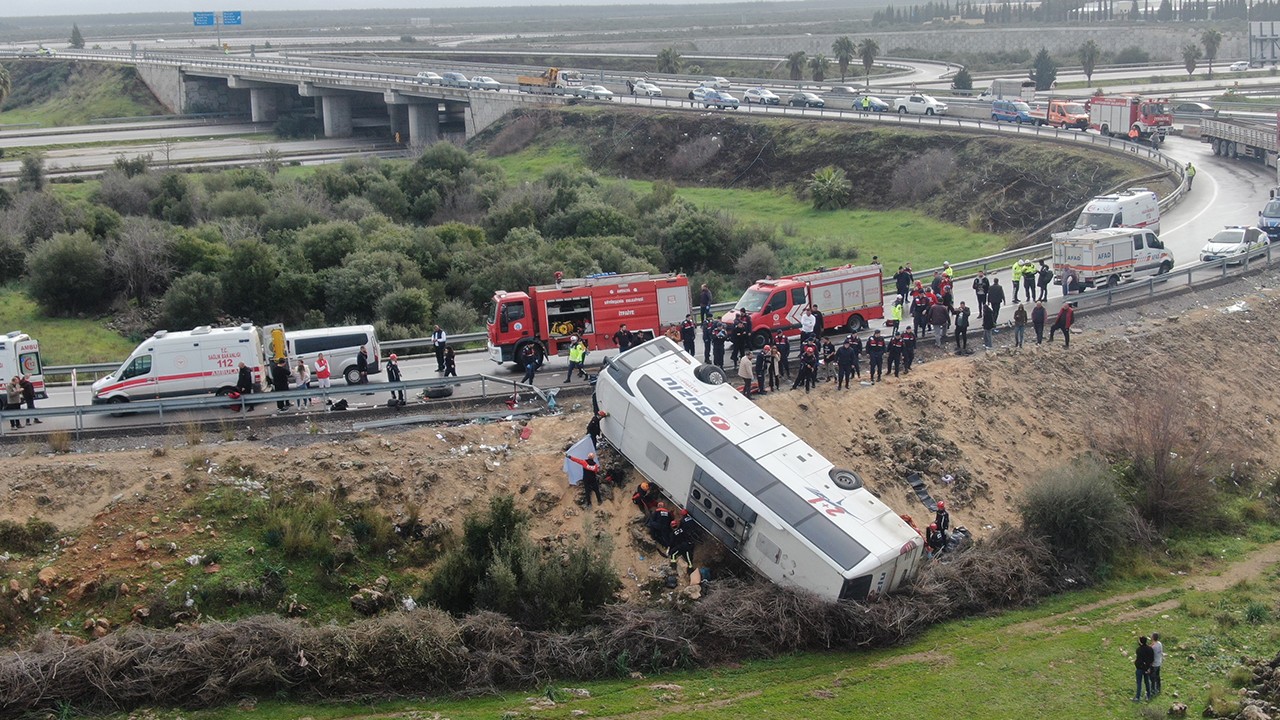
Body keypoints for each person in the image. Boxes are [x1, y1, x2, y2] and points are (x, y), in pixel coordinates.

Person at [668, 511, 697, 577]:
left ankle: (673, 566)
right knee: (689, 558)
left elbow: (672, 542)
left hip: (680, 546)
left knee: (673, 553)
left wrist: (670, 549)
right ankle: (690, 570)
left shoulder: (673, 534)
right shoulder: (682, 529)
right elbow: (687, 535)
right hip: (687, 545)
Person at [1134, 636, 1155, 701]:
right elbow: (1152, 659)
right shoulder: (1150, 649)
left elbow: (1139, 660)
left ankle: (1138, 697)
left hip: (1140, 668)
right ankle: (1148, 696)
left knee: (1139, 683)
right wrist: (1148, 668)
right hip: (1147, 669)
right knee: (1147, 682)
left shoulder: (1138, 650)